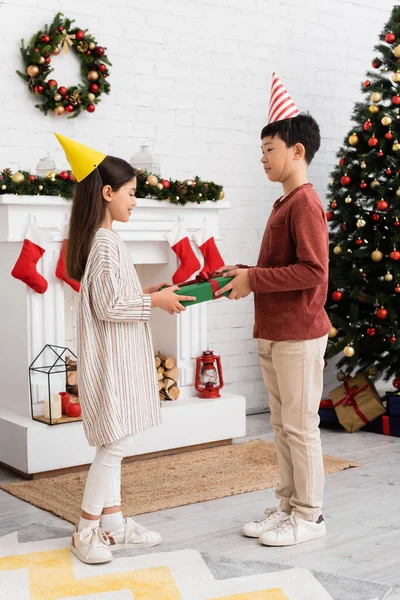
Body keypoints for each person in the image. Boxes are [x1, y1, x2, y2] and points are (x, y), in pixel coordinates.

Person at [55, 134, 195, 564]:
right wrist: (153, 301)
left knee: (118, 440)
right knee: (113, 444)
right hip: (110, 361)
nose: (135, 201)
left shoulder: (106, 240)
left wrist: (148, 289)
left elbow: (114, 293)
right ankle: (86, 530)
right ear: (108, 193)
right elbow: (111, 305)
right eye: (132, 194)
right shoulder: (103, 243)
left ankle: (112, 525)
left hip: (117, 357)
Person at [215, 73, 331, 547]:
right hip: (275, 331)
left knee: (300, 427)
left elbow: (313, 271)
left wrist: (254, 279)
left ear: (297, 151)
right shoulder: (284, 203)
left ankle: (309, 515)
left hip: (299, 335)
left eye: (269, 149)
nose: (262, 158)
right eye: (261, 150)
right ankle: (288, 505)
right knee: (282, 425)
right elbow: (281, 266)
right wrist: (243, 271)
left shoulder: (305, 204)